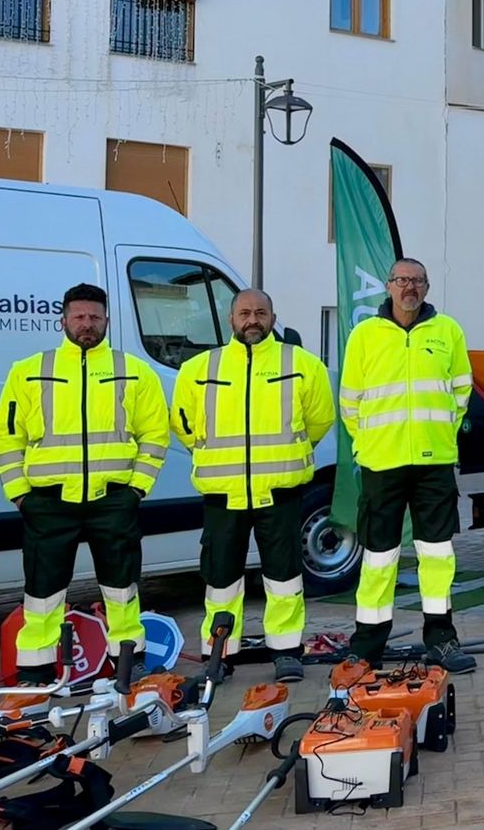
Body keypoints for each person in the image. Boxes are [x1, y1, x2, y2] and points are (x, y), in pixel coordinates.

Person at [0, 283, 169, 683]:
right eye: (79, 317)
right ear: (64, 320)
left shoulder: (133, 371)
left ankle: (129, 656)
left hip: (113, 499)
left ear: (107, 320)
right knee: (42, 591)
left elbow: (155, 435)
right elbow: (6, 437)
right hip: (48, 502)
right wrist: (19, 494)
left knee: (122, 588)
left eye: (94, 317)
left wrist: (137, 490)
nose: (87, 324)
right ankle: (35, 666)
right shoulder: (31, 371)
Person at [171, 290, 334, 683]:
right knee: (221, 578)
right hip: (223, 494)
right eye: (244, 312)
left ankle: (287, 651)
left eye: (260, 312)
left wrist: (287, 456)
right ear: (231, 320)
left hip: (279, 492)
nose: (252, 320)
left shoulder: (301, 364)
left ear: (273, 317)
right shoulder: (198, 368)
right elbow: (183, 424)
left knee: (284, 576)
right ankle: (220, 654)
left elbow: (320, 420)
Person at [339, 258, 477, 672]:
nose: (409, 287)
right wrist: (368, 444)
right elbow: (350, 402)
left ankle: (441, 640)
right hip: (382, 463)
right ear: (388, 285)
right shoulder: (365, 335)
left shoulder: (447, 331)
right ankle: (367, 647)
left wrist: (441, 439)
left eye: (417, 280)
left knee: (437, 555)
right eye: (402, 280)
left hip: (433, 464)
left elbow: (460, 393)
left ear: (427, 286)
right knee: (379, 557)